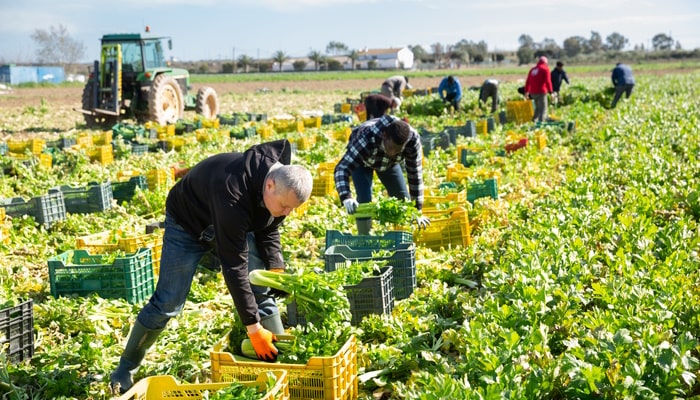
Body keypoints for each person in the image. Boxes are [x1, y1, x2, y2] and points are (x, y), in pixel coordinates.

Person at [110, 140, 313, 394]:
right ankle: (125, 368)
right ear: (269, 185)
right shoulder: (233, 193)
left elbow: (268, 229)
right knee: (168, 303)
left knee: (261, 288)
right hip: (188, 225)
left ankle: (281, 364)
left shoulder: (276, 188)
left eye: (292, 209)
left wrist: (275, 267)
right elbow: (234, 265)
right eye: (285, 206)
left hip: (231, 222)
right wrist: (253, 328)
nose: (286, 213)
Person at [334, 115, 430, 235]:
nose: (392, 152)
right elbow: (342, 168)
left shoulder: (412, 141)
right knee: (364, 200)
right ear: (384, 135)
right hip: (362, 162)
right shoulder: (366, 138)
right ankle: (365, 238)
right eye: (391, 148)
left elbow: (415, 175)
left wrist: (417, 210)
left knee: (404, 200)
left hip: (389, 165)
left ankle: (402, 237)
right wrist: (346, 196)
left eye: (397, 150)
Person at [524, 56, 553, 122]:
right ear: (546, 62)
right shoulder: (545, 69)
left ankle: (534, 120)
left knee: (537, 108)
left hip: (533, 92)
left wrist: (526, 92)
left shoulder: (532, 70)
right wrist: (551, 92)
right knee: (543, 109)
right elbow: (548, 81)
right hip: (541, 92)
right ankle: (541, 123)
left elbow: (528, 81)